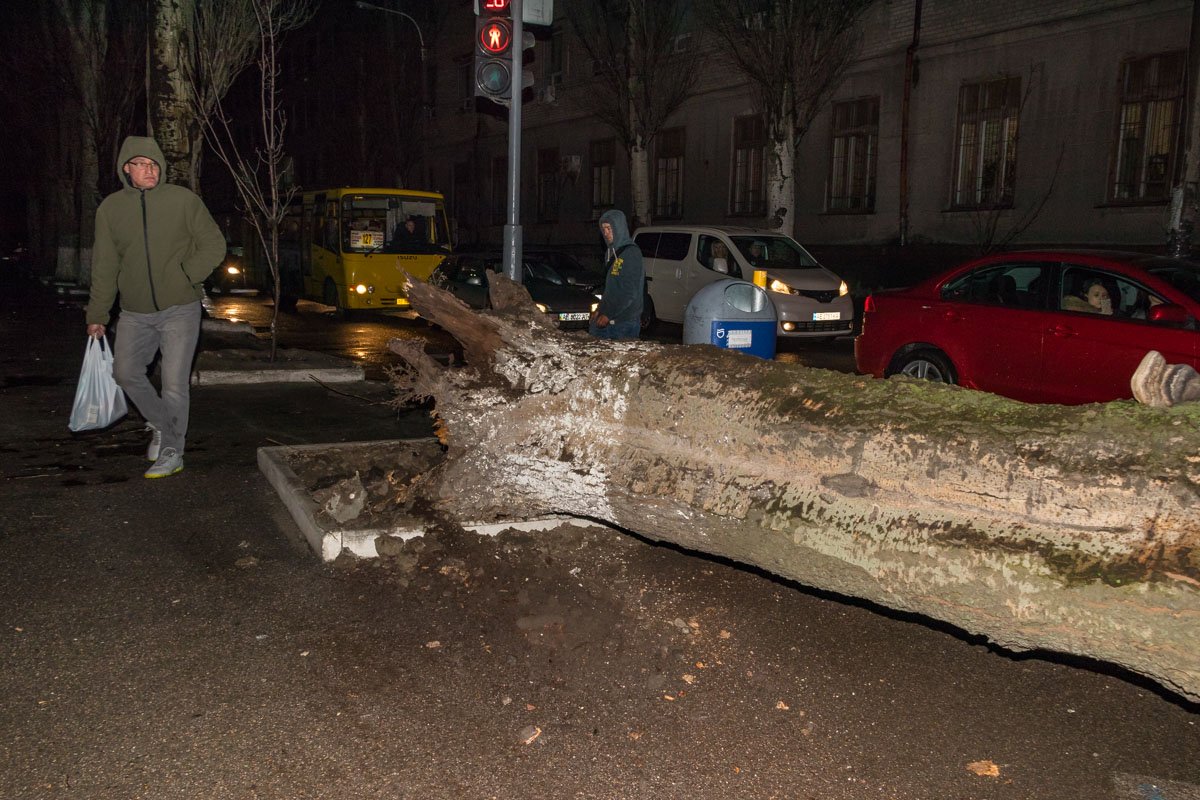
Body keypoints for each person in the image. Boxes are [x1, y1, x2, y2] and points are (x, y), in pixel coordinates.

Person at [85, 136, 226, 479]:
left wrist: (186, 274)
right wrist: (98, 314)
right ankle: (163, 424)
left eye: (154, 164)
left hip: (180, 308)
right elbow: (105, 266)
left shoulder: (182, 201)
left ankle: (172, 451)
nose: (150, 170)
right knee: (124, 373)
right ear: (126, 169)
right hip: (134, 312)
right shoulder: (111, 210)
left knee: (174, 384)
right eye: (142, 164)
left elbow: (214, 244)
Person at [590, 209, 644, 340]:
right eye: (603, 229)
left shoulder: (631, 253)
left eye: (609, 228)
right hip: (609, 319)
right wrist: (600, 310)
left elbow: (629, 291)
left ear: (618, 227)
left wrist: (608, 314)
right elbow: (610, 289)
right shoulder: (609, 253)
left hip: (624, 322)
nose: (606, 233)